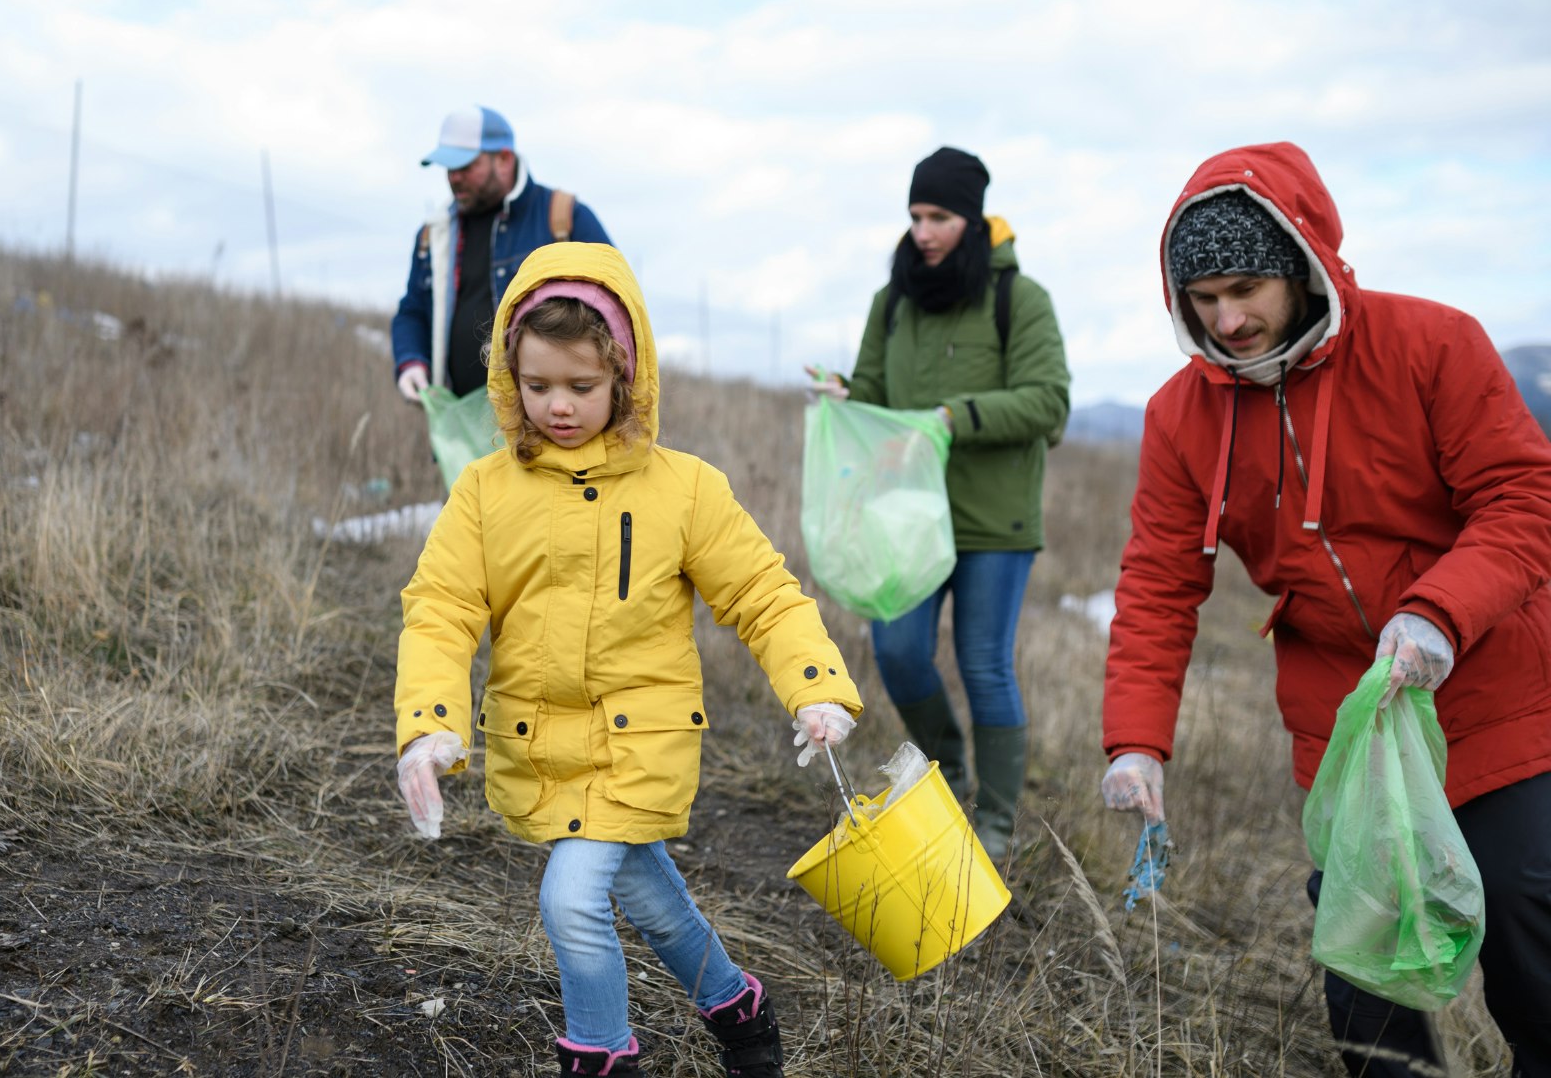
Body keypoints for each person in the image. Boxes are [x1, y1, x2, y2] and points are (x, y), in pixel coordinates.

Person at [1099, 142, 1551, 1076]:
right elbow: (1156, 584)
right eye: (1203, 300)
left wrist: (1437, 616)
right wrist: (1135, 741)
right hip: (1347, 722)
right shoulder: (1180, 417)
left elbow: (1523, 500)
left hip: (1496, 690)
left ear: (1302, 264)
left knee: (1521, 918)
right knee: (1363, 969)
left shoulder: (1433, 344)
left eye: (1246, 288)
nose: (1228, 319)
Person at [394, 242, 861, 1078]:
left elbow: (763, 594)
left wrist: (816, 689)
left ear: (627, 376)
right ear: (509, 378)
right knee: (648, 896)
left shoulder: (684, 489)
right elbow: (442, 610)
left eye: (581, 386)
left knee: (572, 902)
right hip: (542, 744)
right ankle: (739, 1009)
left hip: (640, 740)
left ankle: (603, 1059)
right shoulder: (484, 492)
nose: (559, 407)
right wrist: (427, 726)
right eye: (537, 387)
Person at [806, 146, 1070, 859]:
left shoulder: (1022, 299)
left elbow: (1050, 403)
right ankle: (948, 771)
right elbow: (876, 395)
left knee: (985, 664)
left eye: (940, 216)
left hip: (994, 519)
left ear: (973, 218)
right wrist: (845, 396)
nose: (924, 231)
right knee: (896, 649)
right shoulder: (889, 302)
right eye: (916, 215)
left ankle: (999, 824)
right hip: (907, 517)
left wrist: (953, 418)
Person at [391, 105, 611, 405]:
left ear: (505, 159)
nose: (454, 178)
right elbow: (413, 310)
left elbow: (616, 307)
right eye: (449, 169)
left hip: (548, 424)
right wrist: (411, 362)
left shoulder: (564, 217)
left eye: (466, 167)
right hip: (458, 429)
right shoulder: (434, 233)